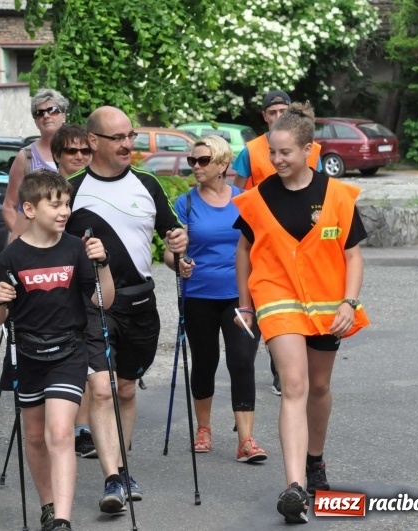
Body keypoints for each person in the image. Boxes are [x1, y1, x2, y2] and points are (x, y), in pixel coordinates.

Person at [231, 102, 369, 524]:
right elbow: (244, 251)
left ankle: (315, 461)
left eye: (285, 152)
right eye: (272, 152)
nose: (276, 160)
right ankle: (293, 487)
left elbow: (353, 255)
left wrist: (349, 302)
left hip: (329, 305)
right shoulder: (258, 199)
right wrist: (245, 304)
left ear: (309, 150)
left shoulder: (338, 195)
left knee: (319, 386)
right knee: (294, 385)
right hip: (277, 299)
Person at [65, 106, 187, 513]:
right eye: (117, 137)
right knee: (102, 389)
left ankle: (121, 467)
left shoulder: (148, 184)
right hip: (93, 304)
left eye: (130, 136)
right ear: (93, 141)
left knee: (127, 389)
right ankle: (113, 477)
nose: (127, 144)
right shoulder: (72, 189)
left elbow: (172, 239)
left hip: (140, 302)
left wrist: (179, 250)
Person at [0, 169, 114, 531]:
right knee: (34, 437)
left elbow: (103, 301)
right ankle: (48, 504)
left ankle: (62, 520)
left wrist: (103, 265)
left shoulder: (75, 249)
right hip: (27, 355)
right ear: (29, 209)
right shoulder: (12, 256)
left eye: (67, 204)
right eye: (55, 205)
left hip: (69, 352)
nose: (64, 212)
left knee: (59, 433)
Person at [165, 135, 266, 461]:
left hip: (240, 295)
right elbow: (171, 252)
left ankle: (246, 440)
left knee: (241, 361)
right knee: (205, 361)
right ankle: (204, 428)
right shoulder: (186, 204)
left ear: (222, 164)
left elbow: (260, 245)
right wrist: (179, 263)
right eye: (192, 160)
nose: (195, 166)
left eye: (203, 160)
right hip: (199, 295)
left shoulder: (245, 200)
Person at [232, 89, 322, 397]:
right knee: (273, 312)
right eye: (272, 112)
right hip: (264, 238)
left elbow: (321, 192)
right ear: (264, 116)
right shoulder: (251, 150)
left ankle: (291, 373)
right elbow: (239, 194)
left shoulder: (314, 149)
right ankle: (282, 373)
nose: (277, 116)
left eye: (282, 111)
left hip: (302, 242)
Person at [49, 124, 97, 459]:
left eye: (85, 150)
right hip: (54, 282)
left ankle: (83, 427)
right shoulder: (46, 189)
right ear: (57, 155)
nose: (79, 156)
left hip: (88, 280)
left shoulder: (97, 187)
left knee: (89, 356)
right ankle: (65, 424)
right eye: (71, 150)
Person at [2, 89, 68, 238]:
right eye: (39, 113)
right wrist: (25, 241)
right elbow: (9, 206)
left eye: (52, 110)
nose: (46, 115)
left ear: (63, 116)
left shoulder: (80, 152)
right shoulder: (26, 156)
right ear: (35, 121)